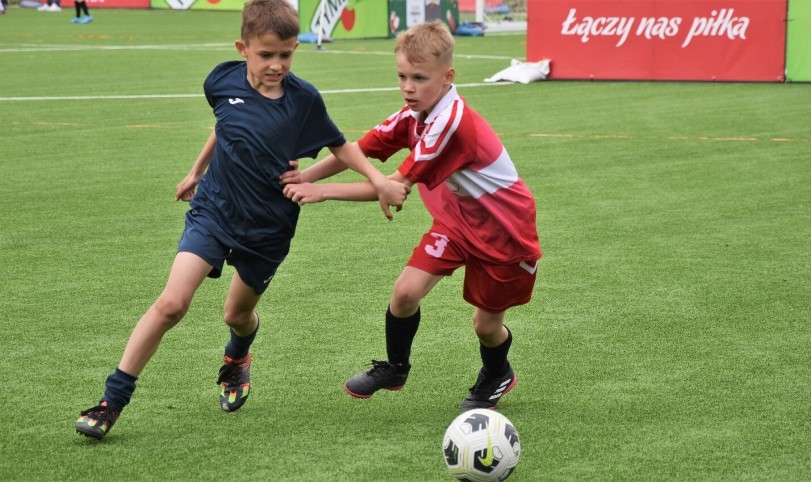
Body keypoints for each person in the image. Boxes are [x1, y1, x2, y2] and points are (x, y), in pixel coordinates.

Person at [75, 0, 409, 441]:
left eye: (286, 55)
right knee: (172, 304)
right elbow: (224, 123)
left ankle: (237, 357)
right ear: (243, 47)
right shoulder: (221, 79)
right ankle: (111, 401)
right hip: (214, 211)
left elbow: (340, 145)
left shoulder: (303, 99)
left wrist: (377, 180)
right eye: (266, 54)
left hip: (268, 228)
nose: (277, 65)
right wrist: (196, 171)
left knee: (237, 314)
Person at [282, 21, 541, 410]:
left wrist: (320, 192)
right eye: (402, 76)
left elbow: (392, 188)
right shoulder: (413, 114)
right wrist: (301, 177)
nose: (408, 87)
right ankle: (396, 367)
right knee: (404, 294)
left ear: (447, 76)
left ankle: (497, 373)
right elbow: (358, 151)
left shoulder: (450, 123)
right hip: (456, 220)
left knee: (485, 327)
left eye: (419, 78)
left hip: (504, 231)